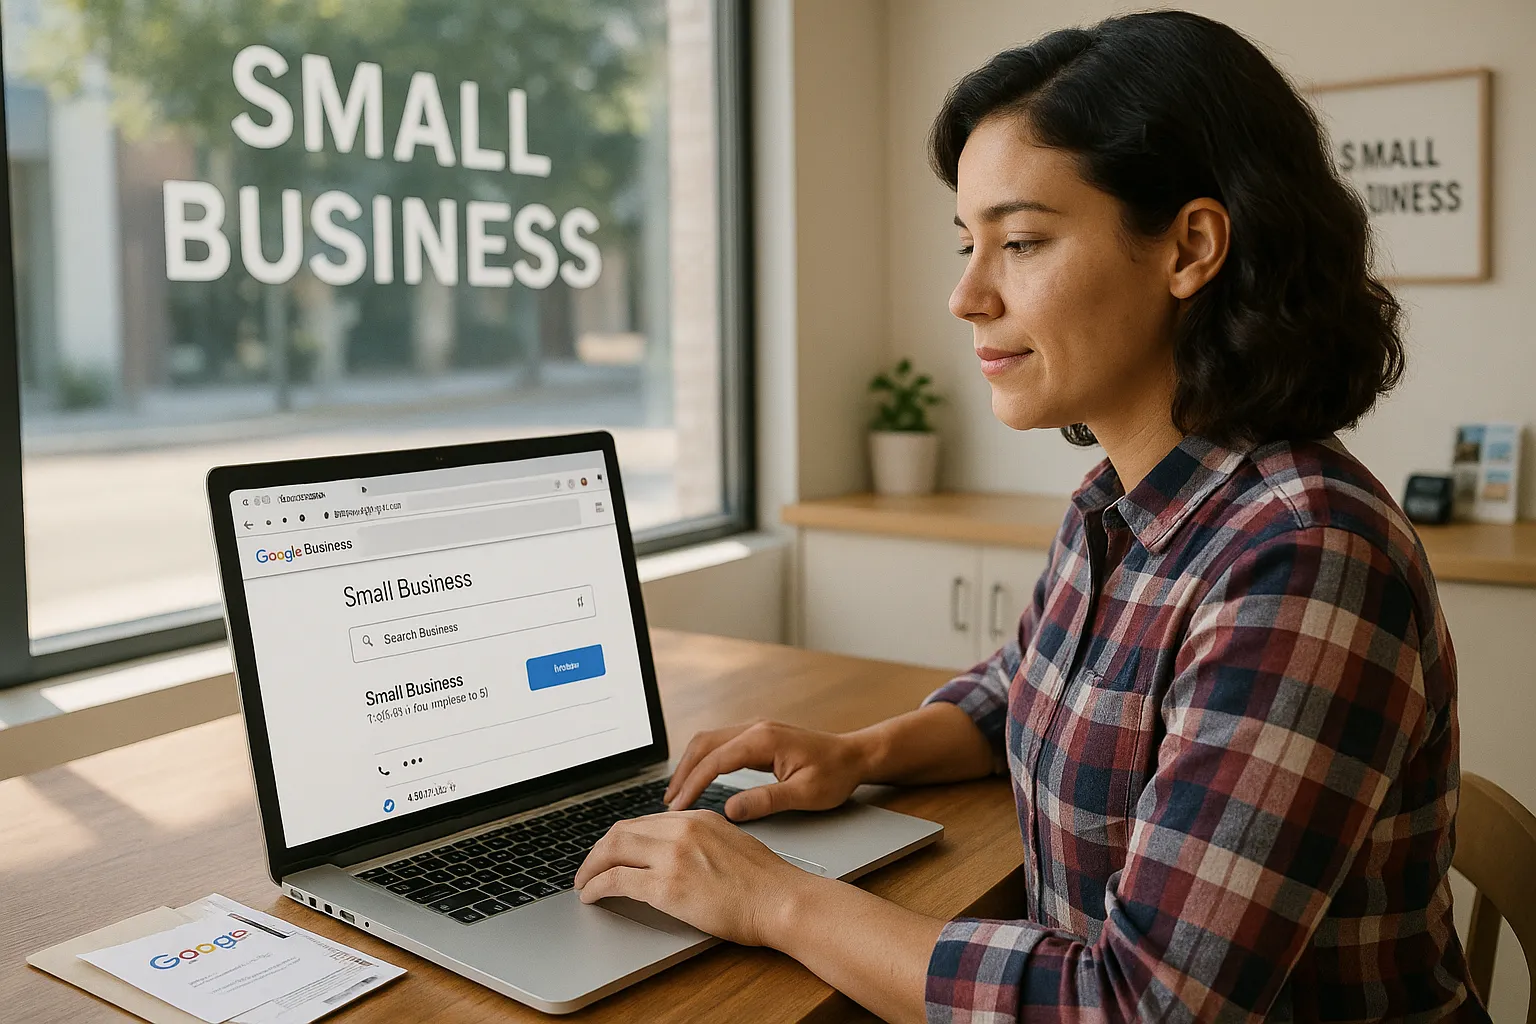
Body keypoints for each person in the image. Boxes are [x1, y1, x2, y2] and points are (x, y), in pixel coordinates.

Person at [573, 11, 1491, 1022]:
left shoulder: (1303, 558)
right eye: (968, 244)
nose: (965, 295)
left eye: (1020, 241)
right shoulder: (1122, 501)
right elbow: (1027, 687)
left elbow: (1136, 1008)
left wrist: (771, 895)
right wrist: (860, 753)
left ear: (1189, 247)